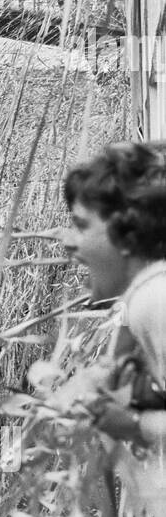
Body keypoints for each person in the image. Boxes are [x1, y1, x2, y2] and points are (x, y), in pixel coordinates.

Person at [61, 142, 166, 455]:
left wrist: (133, 424)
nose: (67, 241)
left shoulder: (153, 299)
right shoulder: (146, 296)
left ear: (126, 231)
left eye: (80, 225)